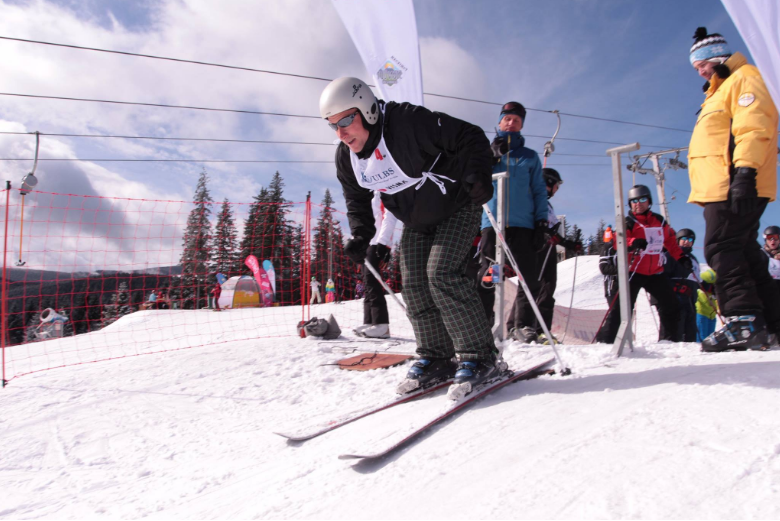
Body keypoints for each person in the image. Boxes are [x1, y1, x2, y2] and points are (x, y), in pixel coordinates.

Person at [320, 76, 498, 395]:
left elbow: (470, 136)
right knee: (413, 283)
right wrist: (361, 234)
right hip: (416, 220)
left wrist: (478, 174)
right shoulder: (346, 157)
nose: (341, 132)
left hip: (457, 202)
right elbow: (356, 198)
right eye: (332, 125)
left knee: (441, 274)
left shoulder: (407, 122)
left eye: (346, 119)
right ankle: (436, 357)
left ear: (368, 110)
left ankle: (480, 356)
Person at [688, 27, 780, 352]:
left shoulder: (744, 77)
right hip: (722, 183)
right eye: (695, 66)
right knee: (745, 250)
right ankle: (771, 322)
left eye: (702, 63)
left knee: (721, 246)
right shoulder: (719, 90)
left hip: (734, 181)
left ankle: (743, 319)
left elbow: (754, 125)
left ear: (718, 57)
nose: (699, 70)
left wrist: (745, 172)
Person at [479, 101, 548, 343]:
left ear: (521, 126)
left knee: (528, 277)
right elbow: (473, 180)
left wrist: (541, 222)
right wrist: (490, 157)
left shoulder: (529, 156)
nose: (511, 122)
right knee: (489, 275)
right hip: (492, 223)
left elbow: (539, 190)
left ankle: (522, 326)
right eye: (507, 118)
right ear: (499, 122)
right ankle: (484, 326)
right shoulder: (484, 152)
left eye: (516, 120)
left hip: (523, 225)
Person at [623, 185, 689, 342]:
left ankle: (669, 340)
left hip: (655, 272)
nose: (638, 203)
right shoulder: (628, 222)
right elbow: (617, 241)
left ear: (649, 201)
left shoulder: (659, 221)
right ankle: (608, 342)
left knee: (671, 305)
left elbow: (671, 243)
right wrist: (633, 242)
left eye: (642, 199)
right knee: (623, 309)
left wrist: (682, 258)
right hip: (634, 270)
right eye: (634, 201)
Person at [532, 168, 583, 344]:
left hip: (548, 247)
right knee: (533, 287)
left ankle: (542, 330)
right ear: (549, 183)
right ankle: (525, 328)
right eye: (556, 186)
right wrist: (545, 233)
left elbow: (553, 230)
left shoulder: (547, 204)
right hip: (536, 247)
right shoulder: (534, 198)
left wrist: (569, 244)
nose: (556, 191)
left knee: (548, 288)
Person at [354, 191, 397, 339]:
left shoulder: (383, 190)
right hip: (368, 242)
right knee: (366, 281)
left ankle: (381, 324)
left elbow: (389, 217)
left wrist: (383, 243)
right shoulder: (369, 193)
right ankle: (370, 321)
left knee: (372, 281)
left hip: (378, 242)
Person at [659, 228, 701, 342]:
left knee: (690, 330)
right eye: (684, 239)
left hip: (690, 300)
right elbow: (661, 277)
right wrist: (677, 288)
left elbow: (697, 280)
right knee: (675, 329)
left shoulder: (693, 259)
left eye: (690, 239)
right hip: (675, 299)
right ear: (678, 240)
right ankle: (669, 350)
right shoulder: (670, 255)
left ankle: (689, 353)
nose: (687, 241)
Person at [595, 226, 620, 343]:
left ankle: (616, 339)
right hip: (612, 285)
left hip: (625, 284)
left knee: (624, 312)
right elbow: (603, 267)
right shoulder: (608, 247)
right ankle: (604, 338)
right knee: (615, 311)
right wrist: (621, 269)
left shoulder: (624, 248)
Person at [696, 268, 719, 342]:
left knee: (711, 339)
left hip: (712, 315)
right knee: (702, 338)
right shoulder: (700, 291)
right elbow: (707, 302)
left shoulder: (712, 293)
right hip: (702, 314)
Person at [762, 225, 780, 291]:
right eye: (769, 237)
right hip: (766, 289)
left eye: (775, 237)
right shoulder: (760, 254)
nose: (772, 241)